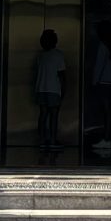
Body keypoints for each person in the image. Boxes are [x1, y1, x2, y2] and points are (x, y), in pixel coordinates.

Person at [90, 19, 111, 162]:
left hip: (104, 82)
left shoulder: (103, 46)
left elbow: (99, 65)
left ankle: (106, 139)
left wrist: (94, 82)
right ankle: (110, 139)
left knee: (106, 112)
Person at [32, 27, 66, 160]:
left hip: (41, 88)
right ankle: (52, 140)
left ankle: (41, 140)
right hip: (54, 89)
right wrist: (64, 89)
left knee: (43, 114)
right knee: (54, 115)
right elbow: (62, 74)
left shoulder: (40, 56)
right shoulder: (59, 55)